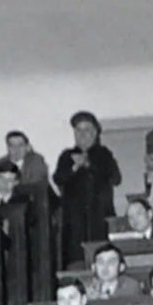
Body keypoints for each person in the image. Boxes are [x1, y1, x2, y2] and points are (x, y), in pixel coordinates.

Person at [53, 111, 121, 269]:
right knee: (75, 262)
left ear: (95, 132)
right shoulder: (67, 156)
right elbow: (58, 179)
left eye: (87, 130)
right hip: (74, 222)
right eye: (78, 130)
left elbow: (115, 178)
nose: (82, 134)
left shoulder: (104, 154)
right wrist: (75, 166)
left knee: (103, 259)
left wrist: (88, 164)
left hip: (100, 218)